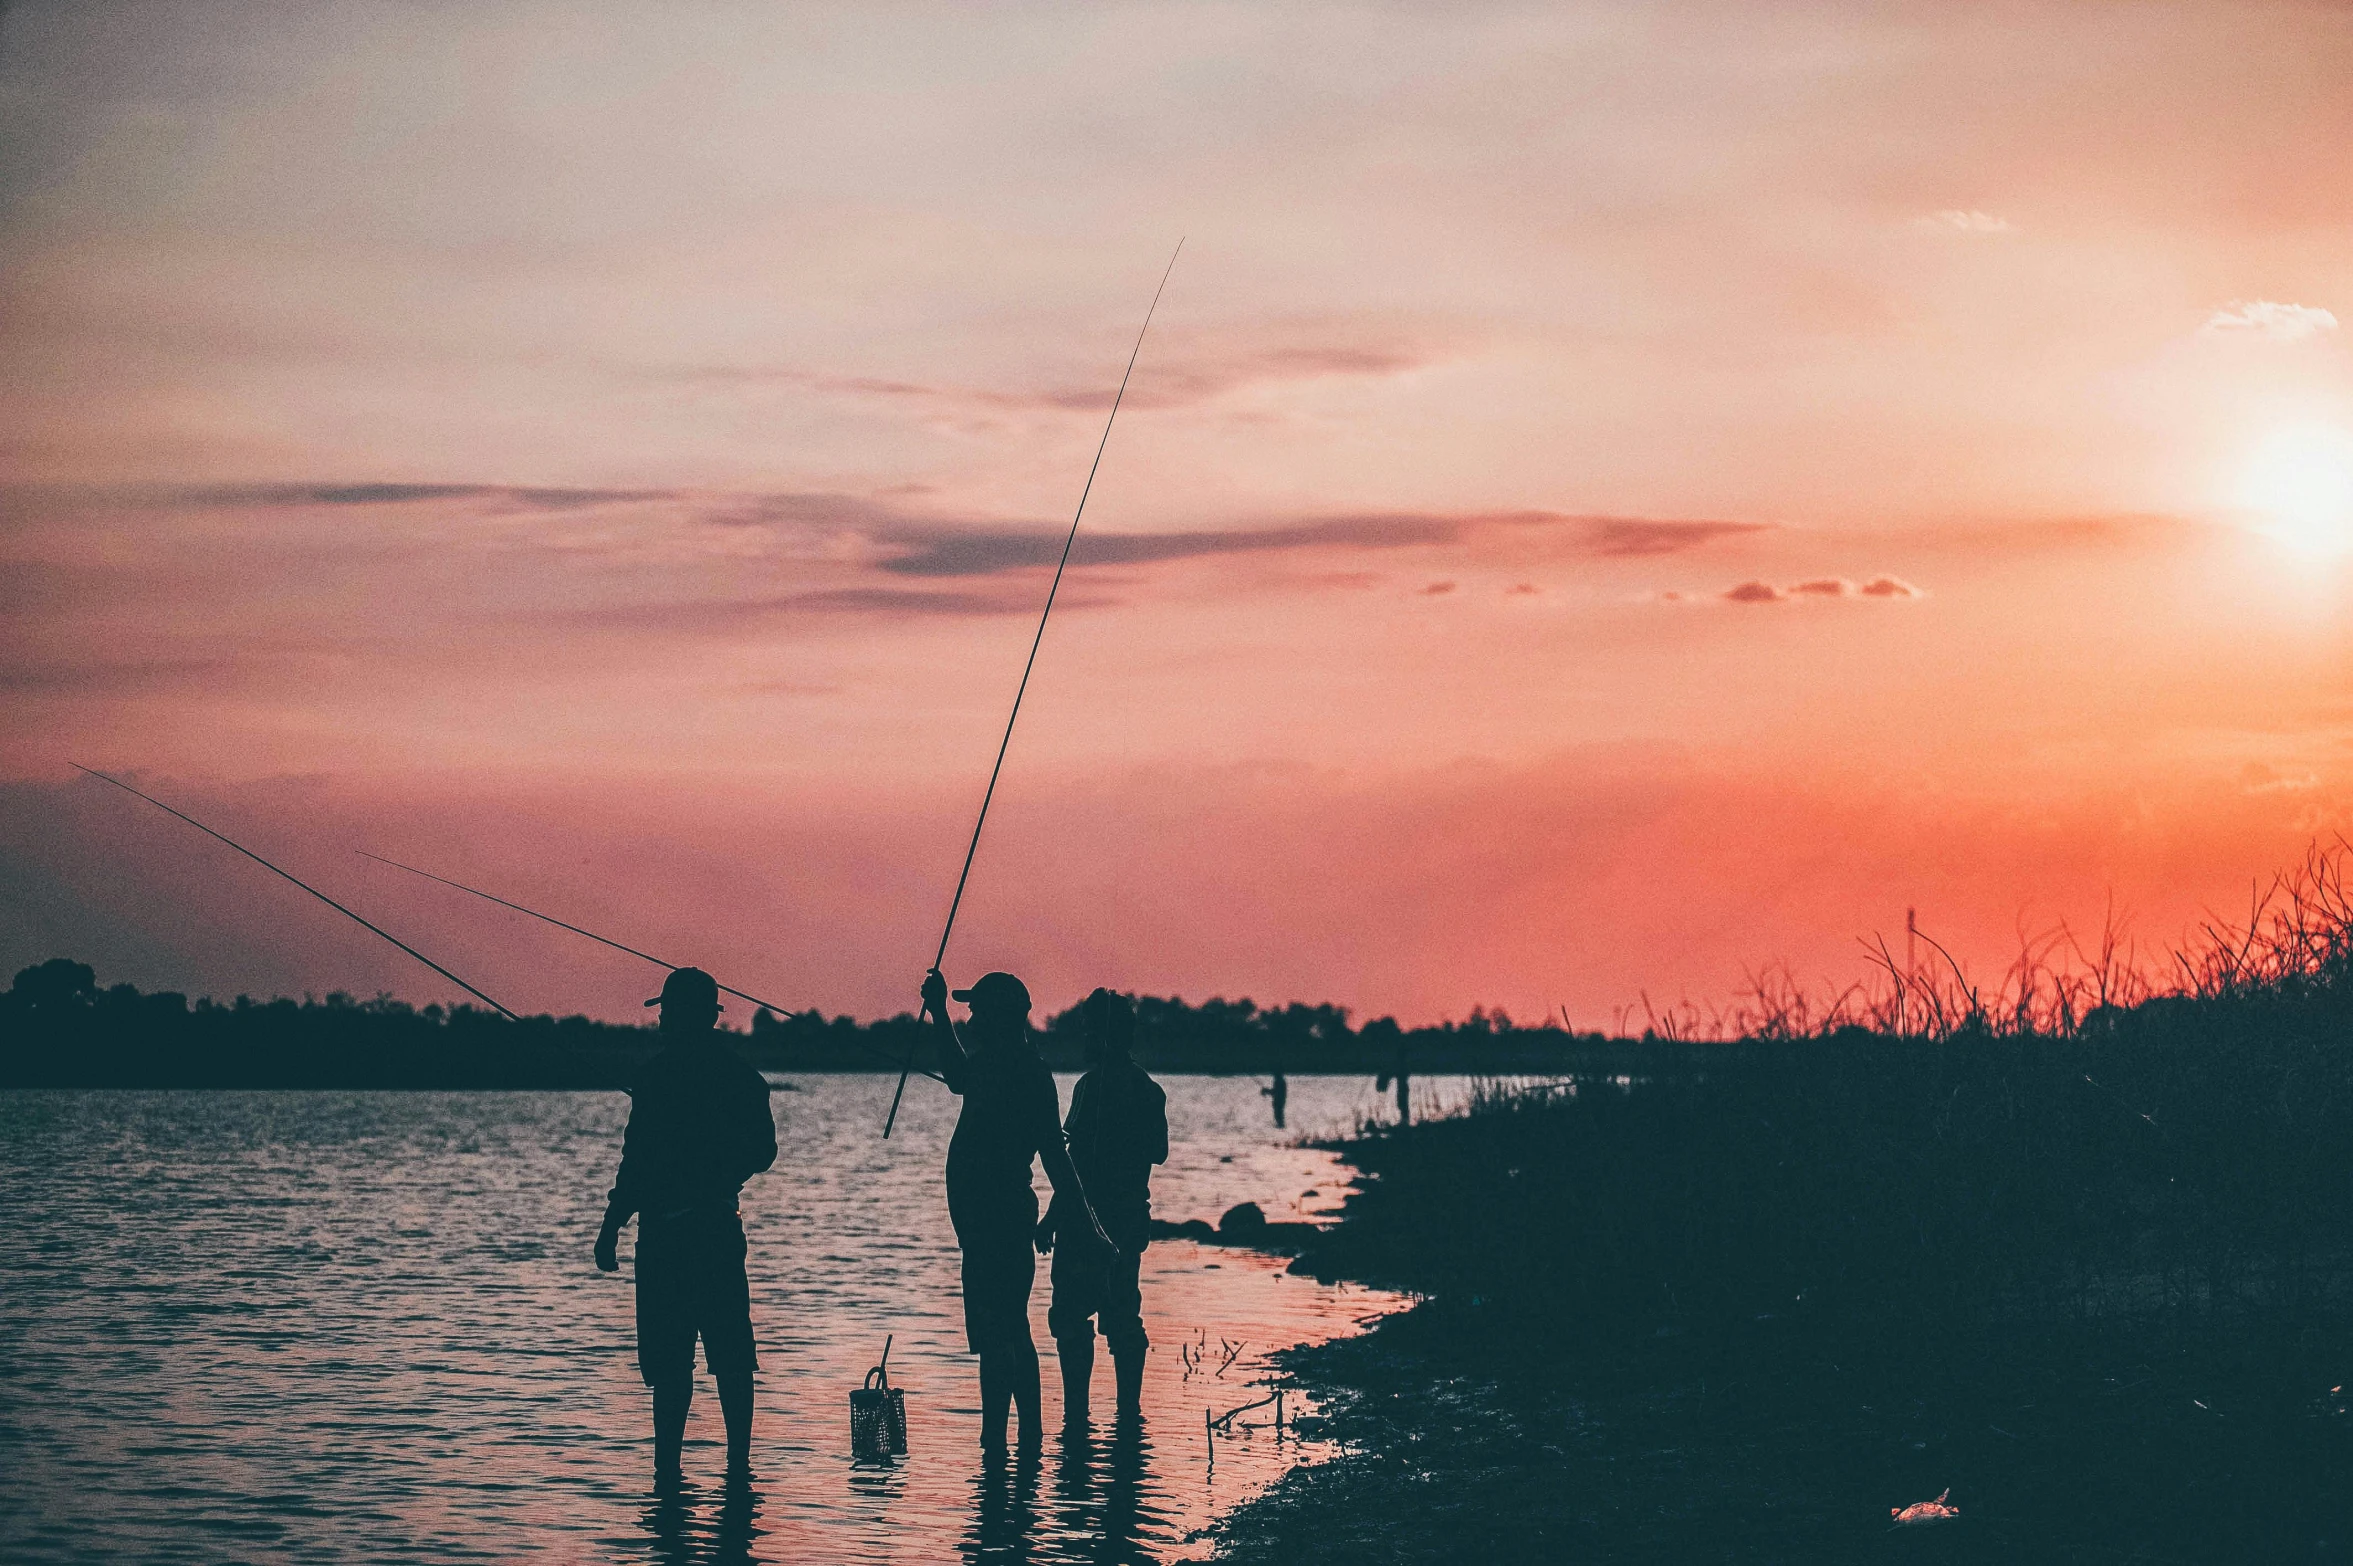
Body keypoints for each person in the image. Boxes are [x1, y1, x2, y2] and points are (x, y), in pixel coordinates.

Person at [919, 967, 1114, 1456]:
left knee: (995, 1333)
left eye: (975, 1011)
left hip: (995, 1224)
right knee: (1014, 1328)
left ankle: (995, 1444)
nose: (971, 1019)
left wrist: (1068, 1216)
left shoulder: (1015, 1071)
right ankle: (1028, 1438)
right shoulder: (1013, 1068)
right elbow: (959, 1078)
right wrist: (940, 1011)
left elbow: (1054, 1156)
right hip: (1001, 1221)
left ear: (997, 1018)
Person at [595, 966, 777, 1488]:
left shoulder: (654, 1078)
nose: (661, 1023)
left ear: (682, 1016)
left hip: (669, 1240)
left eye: (667, 1013)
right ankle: (736, 1470)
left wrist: (611, 1229)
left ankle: (669, 1474)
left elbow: (634, 1166)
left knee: (677, 1363)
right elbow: (763, 1153)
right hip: (718, 1230)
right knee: (728, 1357)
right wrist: (722, 1171)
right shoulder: (740, 1076)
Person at [1045, 988, 1168, 1427]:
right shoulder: (1149, 1090)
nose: (1084, 1038)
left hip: (1089, 1228)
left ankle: (1080, 1416)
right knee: (1120, 1317)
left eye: (1089, 1031)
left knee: (1074, 1317)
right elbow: (1159, 1152)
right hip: (1129, 1223)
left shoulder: (1092, 1087)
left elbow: (1074, 1167)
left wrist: (1052, 1219)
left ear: (1104, 1036)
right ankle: (1125, 1418)